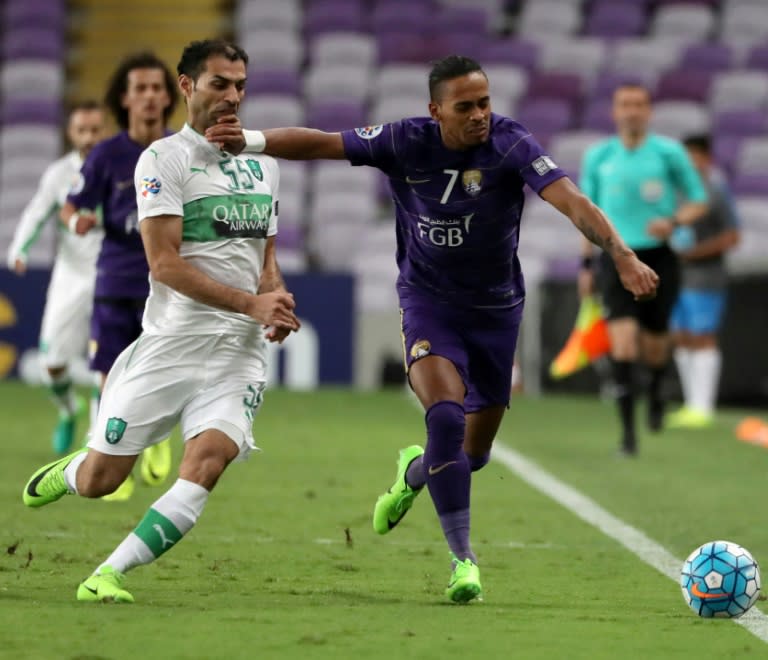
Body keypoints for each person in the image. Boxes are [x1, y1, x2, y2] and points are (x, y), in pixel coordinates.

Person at [205, 55, 659, 603]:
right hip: (428, 303)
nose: (479, 116)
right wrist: (249, 141)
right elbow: (322, 143)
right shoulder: (404, 141)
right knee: (444, 415)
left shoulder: (511, 144)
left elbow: (573, 202)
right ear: (435, 110)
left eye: (485, 103)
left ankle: (413, 473)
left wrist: (623, 255)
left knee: (472, 455)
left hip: (496, 312)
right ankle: (462, 561)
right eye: (465, 107)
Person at [21, 38, 300, 603]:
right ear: (188, 86)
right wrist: (250, 302)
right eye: (220, 83)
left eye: (241, 85)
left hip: (237, 351)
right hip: (173, 343)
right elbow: (165, 264)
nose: (232, 96)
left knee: (208, 461)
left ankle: (108, 574)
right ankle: (74, 470)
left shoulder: (263, 165)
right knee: (103, 481)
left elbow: (265, 258)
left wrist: (275, 297)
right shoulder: (163, 160)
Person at [61, 52, 178, 500]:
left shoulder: (179, 151)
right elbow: (73, 204)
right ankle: (111, 468)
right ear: (124, 99)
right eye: (140, 89)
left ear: (168, 96)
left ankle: (159, 436)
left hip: (166, 286)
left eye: (156, 88)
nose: (149, 97)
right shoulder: (107, 155)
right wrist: (76, 223)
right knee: (109, 377)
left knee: (163, 372)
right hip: (114, 281)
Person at [578, 83, 708, 456]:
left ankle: (655, 390)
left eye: (639, 104)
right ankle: (628, 435)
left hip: (659, 257)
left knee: (654, 345)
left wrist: (674, 220)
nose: (632, 111)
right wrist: (586, 264)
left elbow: (697, 201)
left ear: (649, 112)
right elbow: (586, 215)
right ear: (614, 112)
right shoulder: (599, 156)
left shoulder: (668, 153)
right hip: (615, 258)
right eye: (625, 104)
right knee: (622, 343)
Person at [6, 101, 105, 454]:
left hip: (111, 274)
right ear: (71, 132)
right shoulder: (59, 174)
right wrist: (19, 249)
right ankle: (67, 411)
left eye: (96, 129)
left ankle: (98, 440)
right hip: (71, 275)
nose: (90, 137)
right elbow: (36, 212)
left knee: (105, 363)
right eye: (83, 130)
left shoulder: (117, 167)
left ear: (103, 128)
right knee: (51, 364)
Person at [667, 134, 740, 428]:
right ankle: (690, 403)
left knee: (702, 336)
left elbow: (732, 236)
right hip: (676, 276)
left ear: (706, 159)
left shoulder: (716, 192)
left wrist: (695, 254)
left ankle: (704, 406)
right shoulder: (676, 192)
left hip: (706, 277)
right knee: (680, 335)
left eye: (694, 156)